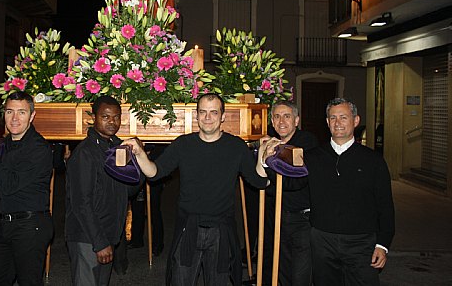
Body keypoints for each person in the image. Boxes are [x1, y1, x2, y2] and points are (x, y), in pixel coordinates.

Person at [125, 93, 270, 285]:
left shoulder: (236, 146)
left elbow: (258, 181)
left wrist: (263, 157)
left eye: (213, 112)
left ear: (223, 116)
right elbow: (155, 173)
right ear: (196, 115)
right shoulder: (183, 144)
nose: (208, 117)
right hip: (189, 229)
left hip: (221, 231)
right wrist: (140, 153)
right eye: (203, 112)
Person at [263, 97, 395, 285]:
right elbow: (292, 182)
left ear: (355, 121)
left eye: (343, 117)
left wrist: (383, 244)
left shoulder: (373, 160)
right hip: (322, 242)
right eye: (333, 118)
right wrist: (265, 162)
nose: (338, 123)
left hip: (361, 243)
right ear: (327, 122)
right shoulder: (314, 157)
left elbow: (385, 206)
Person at [0, 91, 53, 286]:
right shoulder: (7, 144)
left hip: (30, 226)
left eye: (21, 112)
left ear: (32, 116)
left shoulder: (38, 148)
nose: (14, 118)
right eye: (9, 112)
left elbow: (7, 184)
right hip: (6, 225)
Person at [65, 95, 141, 285]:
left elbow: (128, 191)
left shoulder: (118, 148)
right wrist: (100, 243)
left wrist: (139, 164)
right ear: (93, 117)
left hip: (108, 235)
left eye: (116, 117)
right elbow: (81, 203)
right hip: (88, 237)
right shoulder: (85, 153)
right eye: (105, 117)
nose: (112, 122)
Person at [257, 101, 318, 286]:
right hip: (277, 217)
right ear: (272, 122)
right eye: (276, 117)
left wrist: (269, 159)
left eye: (287, 116)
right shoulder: (271, 143)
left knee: (299, 276)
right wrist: (264, 155)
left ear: (296, 120)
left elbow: (295, 181)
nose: (281, 121)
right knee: (280, 271)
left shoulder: (306, 142)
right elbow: (261, 182)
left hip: (302, 221)